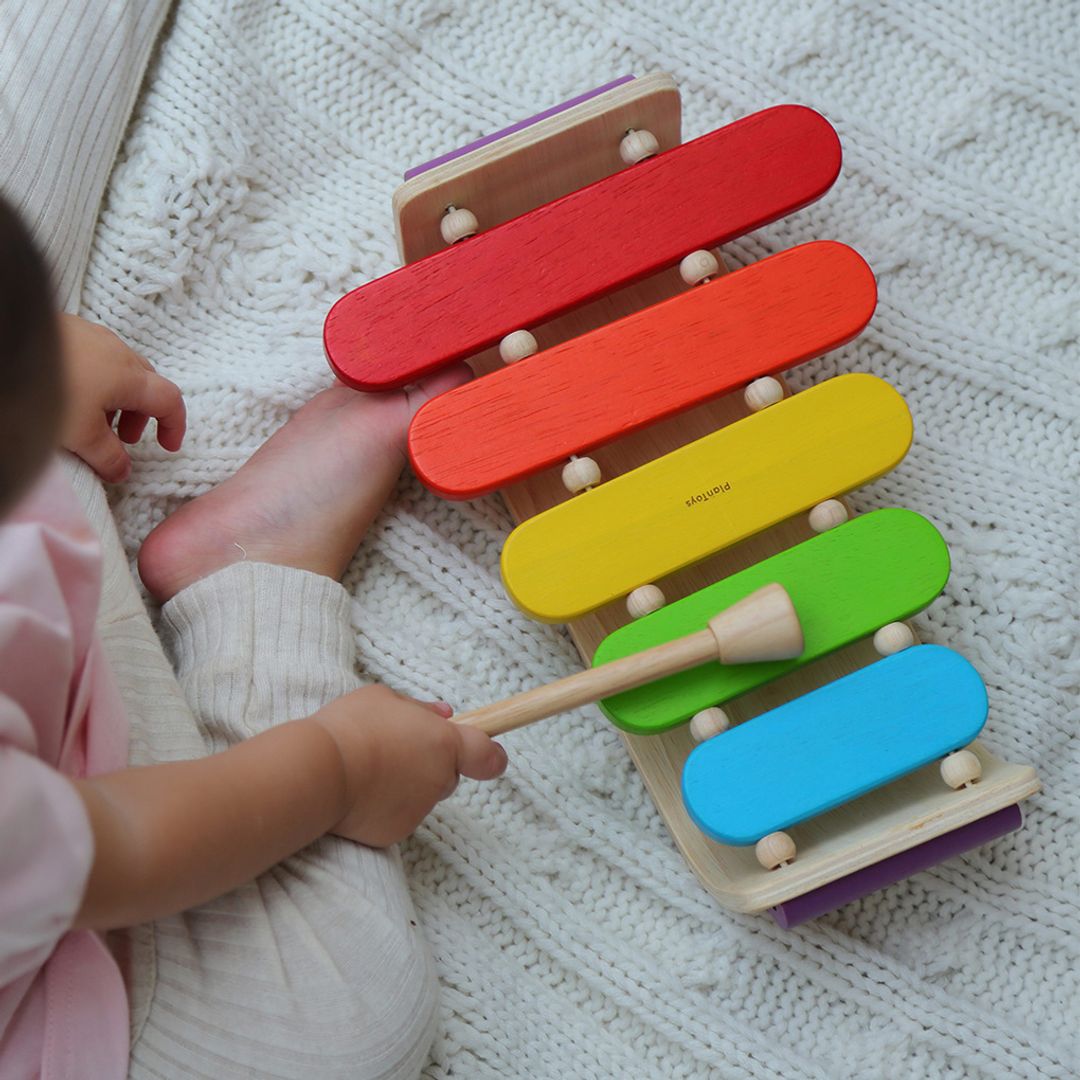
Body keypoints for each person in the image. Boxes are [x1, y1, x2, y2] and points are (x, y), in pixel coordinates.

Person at [0, 195, 506, 1080]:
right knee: (344, 1031)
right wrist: (340, 767)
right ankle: (250, 583)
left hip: (38, 659)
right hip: (65, 908)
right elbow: (118, 845)